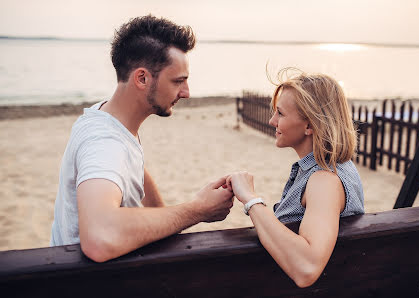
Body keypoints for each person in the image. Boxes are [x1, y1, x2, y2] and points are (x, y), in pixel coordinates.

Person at [50, 15, 234, 262]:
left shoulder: (107, 116)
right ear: (142, 78)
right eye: (178, 81)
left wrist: (183, 209)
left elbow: (136, 174)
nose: (187, 93)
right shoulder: (104, 143)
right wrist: (198, 209)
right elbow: (98, 238)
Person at [226, 70, 364, 288]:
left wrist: (250, 200)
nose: (272, 121)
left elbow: (307, 268)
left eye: (280, 113)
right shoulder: (337, 168)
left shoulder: (325, 180)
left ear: (310, 125)